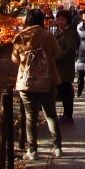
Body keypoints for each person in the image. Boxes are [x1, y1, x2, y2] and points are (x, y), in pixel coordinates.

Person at [11, 8, 64, 160]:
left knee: (30, 116)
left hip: (26, 81)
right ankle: (57, 147)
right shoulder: (47, 35)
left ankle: (32, 150)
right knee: (51, 114)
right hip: (48, 79)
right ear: (41, 20)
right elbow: (58, 52)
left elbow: (15, 59)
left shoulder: (20, 37)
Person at [53, 9, 79, 125]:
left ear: (68, 20)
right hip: (62, 67)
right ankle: (66, 115)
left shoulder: (69, 33)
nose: (60, 22)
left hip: (64, 67)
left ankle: (68, 115)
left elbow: (71, 49)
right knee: (64, 91)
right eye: (58, 19)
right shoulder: (63, 32)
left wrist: (56, 58)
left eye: (62, 19)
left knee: (65, 91)